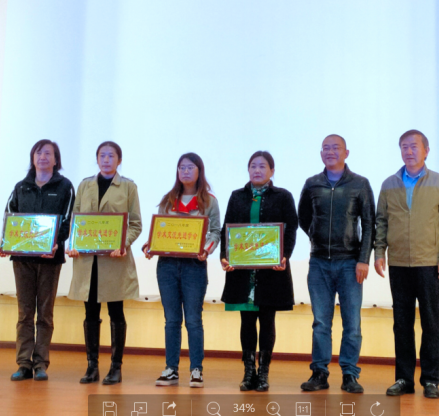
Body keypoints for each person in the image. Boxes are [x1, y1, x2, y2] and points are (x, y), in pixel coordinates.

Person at [374, 130, 439, 399]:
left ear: (426, 150)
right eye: (404, 147)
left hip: (429, 263)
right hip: (398, 263)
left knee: (431, 323)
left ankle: (430, 380)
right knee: (402, 324)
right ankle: (404, 379)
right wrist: (379, 252)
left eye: (414, 146)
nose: (408, 151)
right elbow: (381, 222)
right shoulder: (389, 184)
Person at [297, 134, 375, 394]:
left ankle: (350, 374)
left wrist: (363, 259)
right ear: (321, 154)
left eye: (336, 148)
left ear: (346, 152)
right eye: (326, 148)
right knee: (321, 322)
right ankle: (319, 373)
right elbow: (303, 217)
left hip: (350, 263)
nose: (330, 152)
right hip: (319, 263)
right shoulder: (312, 184)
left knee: (352, 323)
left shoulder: (360, 184)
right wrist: (316, 235)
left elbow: (369, 224)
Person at [220, 150, 299, 392]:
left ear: (272, 171)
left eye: (262, 166)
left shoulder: (283, 196)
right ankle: (248, 373)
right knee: (246, 321)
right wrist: (225, 256)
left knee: (267, 320)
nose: (257, 170)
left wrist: (285, 256)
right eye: (253, 166)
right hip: (243, 271)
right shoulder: (237, 196)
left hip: (271, 271)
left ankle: (263, 373)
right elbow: (227, 229)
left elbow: (291, 229)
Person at [0, 139, 75, 382]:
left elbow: (68, 220)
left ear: (56, 159)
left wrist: (56, 242)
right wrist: (5, 242)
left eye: (48, 153)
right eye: (39, 152)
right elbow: (10, 217)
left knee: (44, 313)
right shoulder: (21, 187)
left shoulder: (65, 187)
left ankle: (41, 363)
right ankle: (23, 363)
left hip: (50, 258)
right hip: (22, 259)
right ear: (33, 158)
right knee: (24, 313)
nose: (43, 157)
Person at [143, 152, 221, 388]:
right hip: (167, 266)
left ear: (199, 171)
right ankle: (171, 369)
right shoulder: (168, 199)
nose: (185, 171)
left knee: (194, 320)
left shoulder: (209, 201)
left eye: (190, 167)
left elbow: (215, 232)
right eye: (181, 168)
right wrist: (150, 245)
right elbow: (159, 230)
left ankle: (196, 370)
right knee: (171, 320)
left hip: (194, 267)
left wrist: (205, 250)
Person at [68, 141, 142, 385]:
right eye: (102, 155)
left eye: (111, 156)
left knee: (116, 312)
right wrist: (74, 242)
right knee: (90, 312)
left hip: (114, 261)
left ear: (119, 160)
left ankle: (115, 367)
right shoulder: (84, 185)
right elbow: (75, 220)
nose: (106, 159)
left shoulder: (128, 187)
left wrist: (124, 243)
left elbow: (135, 224)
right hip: (87, 262)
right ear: (97, 159)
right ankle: (92, 366)